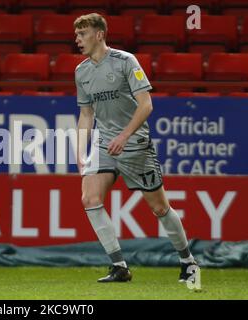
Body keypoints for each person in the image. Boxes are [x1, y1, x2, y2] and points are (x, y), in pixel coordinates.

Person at [74, 13, 199, 283]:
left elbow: (146, 105)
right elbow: (86, 114)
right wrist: (79, 152)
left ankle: (188, 261)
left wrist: (125, 135)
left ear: (99, 35)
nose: (77, 40)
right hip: (104, 143)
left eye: (82, 34)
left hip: (135, 144)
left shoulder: (125, 61)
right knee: (90, 199)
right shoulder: (81, 71)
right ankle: (119, 266)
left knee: (159, 208)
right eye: (76, 35)